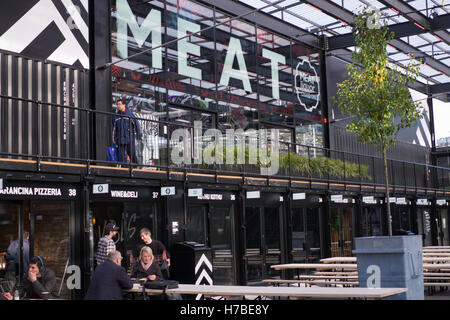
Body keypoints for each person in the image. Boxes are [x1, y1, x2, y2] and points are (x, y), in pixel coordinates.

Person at [112, 98, 141, 165]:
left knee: (132, 154)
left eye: (119, 104)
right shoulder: (116, 116)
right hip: (120, 139)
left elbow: (136, 125)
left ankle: (135, 167)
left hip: (129, 138)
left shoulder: (130, 114)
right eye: (117, 104)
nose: (118, 106)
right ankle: (123, 170)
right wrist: (114, 140)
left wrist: (138, 136)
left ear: (124, 105)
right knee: (121, 156)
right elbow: (113, 129)